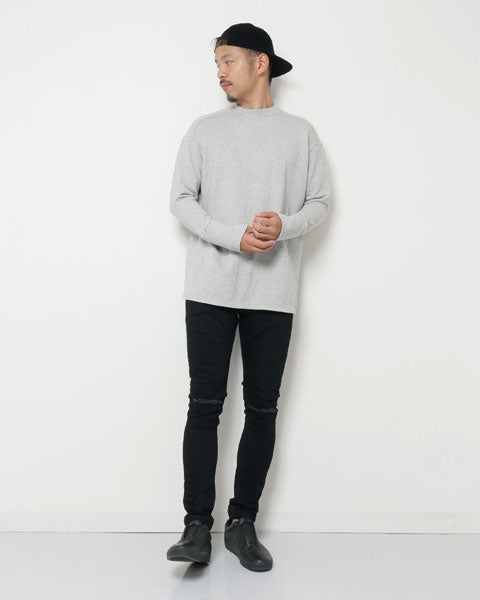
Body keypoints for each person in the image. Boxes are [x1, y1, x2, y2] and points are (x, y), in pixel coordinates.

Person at [166, 22, 332, 572]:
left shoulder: (300, 134)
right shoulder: (204, 130)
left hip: (273, 292)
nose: (219, 71)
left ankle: (241, 524)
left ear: (261, 63)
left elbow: (319, 202)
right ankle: (196, 526)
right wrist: (232, 236)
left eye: (228, 60)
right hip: (209, 289)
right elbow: (181, 200)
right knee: (204, 406)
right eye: (216, 62)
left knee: (262, 409)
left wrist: (282, 225)